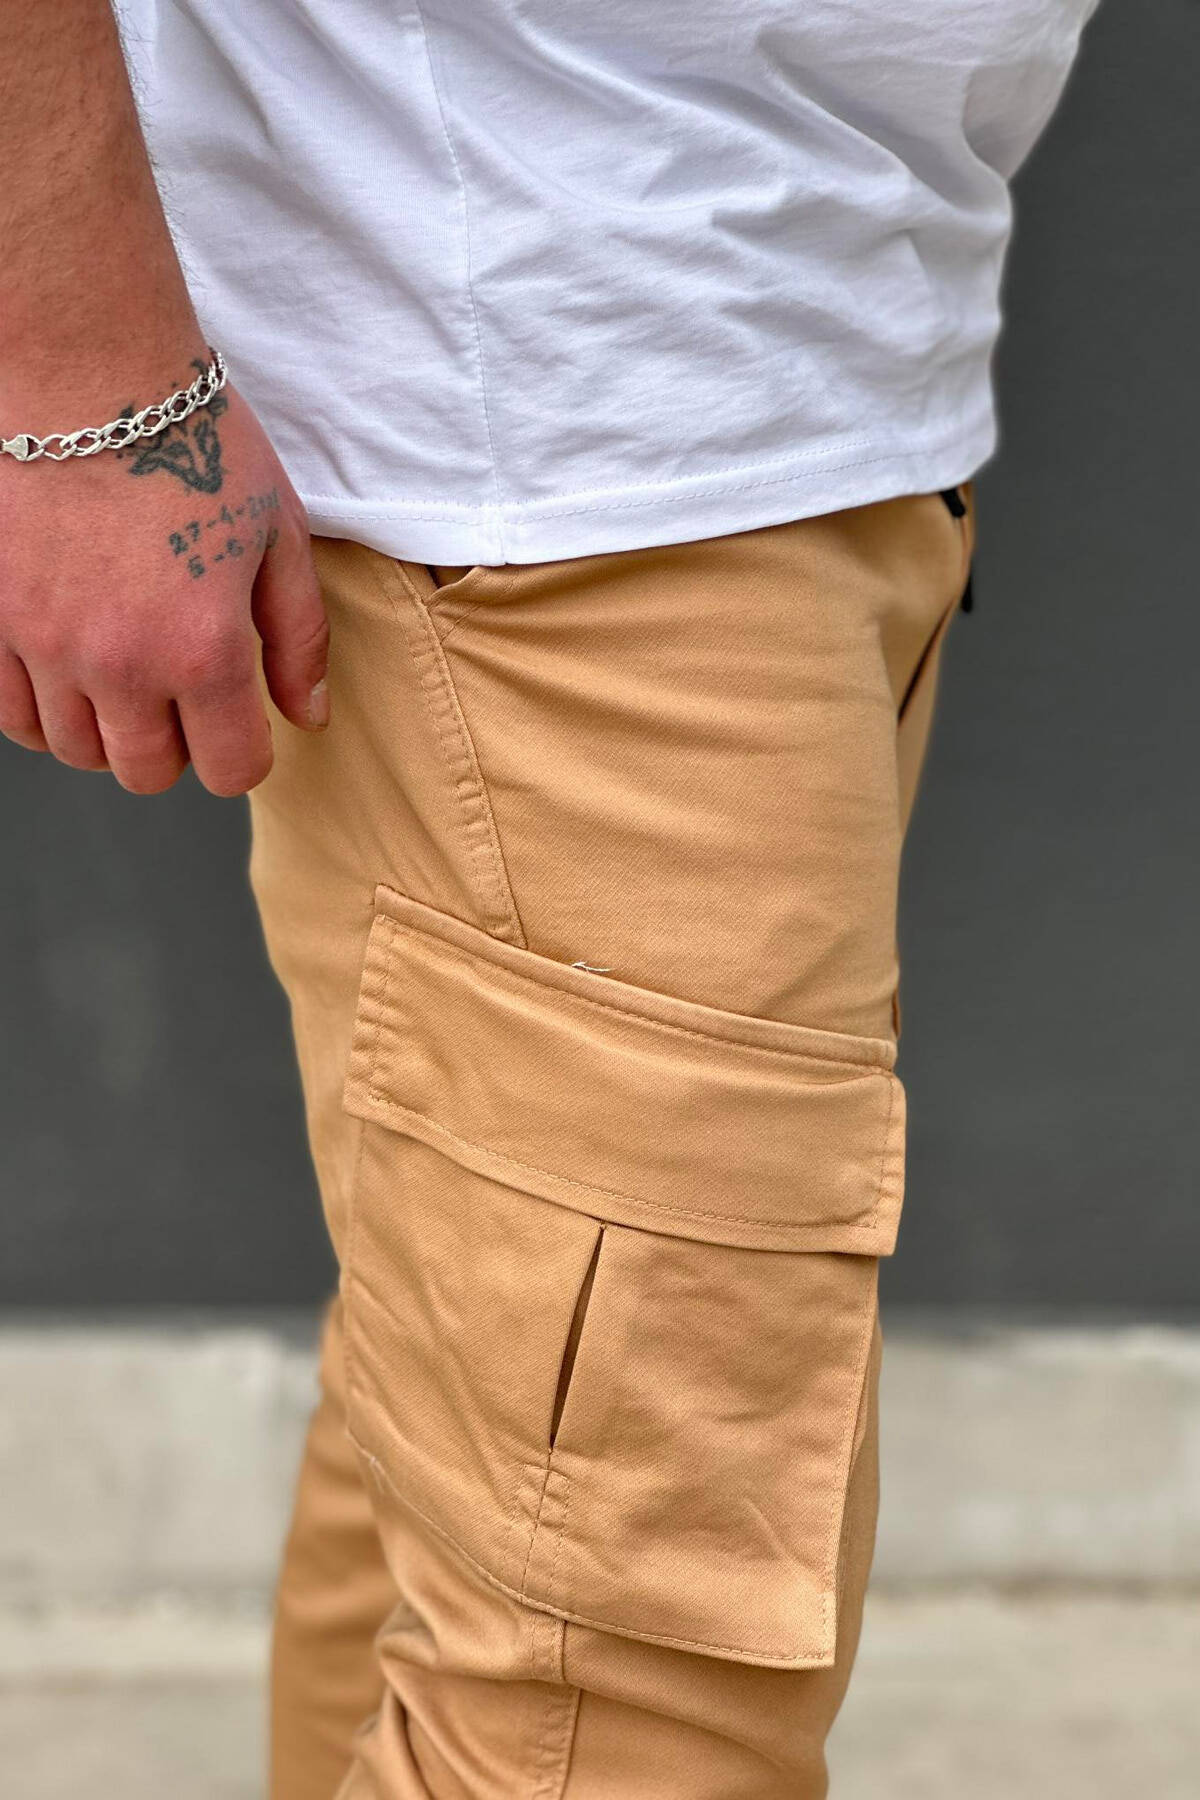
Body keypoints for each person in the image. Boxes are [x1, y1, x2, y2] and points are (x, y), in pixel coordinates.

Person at [0, 3, 1099, 1794]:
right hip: (558, 422)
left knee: (465, 1481)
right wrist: (74, 378)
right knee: (617, 1706)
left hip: (809, 339)